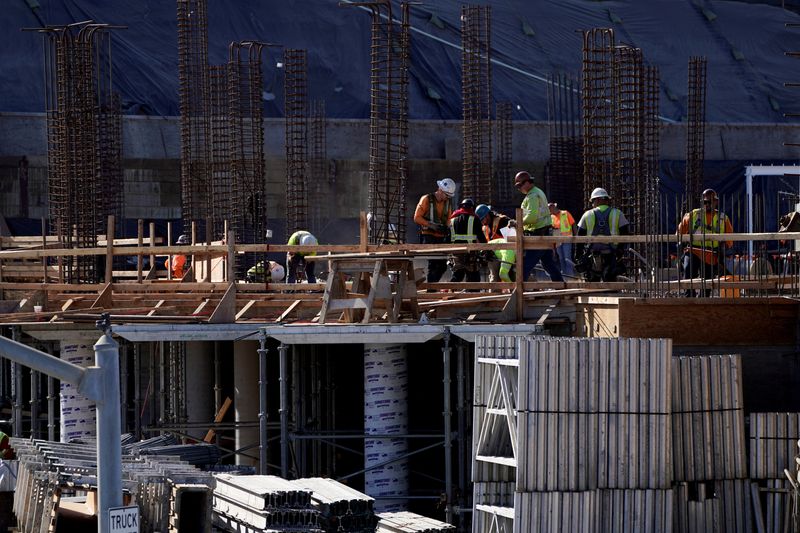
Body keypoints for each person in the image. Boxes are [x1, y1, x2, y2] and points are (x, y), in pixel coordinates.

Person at [676, 188, 733, 297]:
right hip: (693, 251)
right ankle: (689, 297)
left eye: (710, 202)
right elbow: (679, 234)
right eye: (705, 202)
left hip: (711, 254)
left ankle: (704, 300)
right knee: (688, 272)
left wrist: (722, 251)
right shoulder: (692, 215)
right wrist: (680, 244)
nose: (707, 204)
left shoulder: (723, 219)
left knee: (707, 283)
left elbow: (729, 241)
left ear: (716, 202)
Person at [516, 171, 564, 282]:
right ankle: (560, 286)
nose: (519, 189)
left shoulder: (532, 196)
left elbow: (532, 217)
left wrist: (518, 222)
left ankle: (517, 291)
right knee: (548, 264)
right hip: (544, 233)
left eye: (520, 185)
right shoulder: (537, 192)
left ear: (527, 182)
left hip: (538, 235)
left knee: (525, 265)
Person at [575, 187, 630, 282]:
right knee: (610, 281)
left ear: (598, 200)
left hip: (592, 253)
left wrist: (578, 255)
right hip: (612, 253)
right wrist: (620, 250)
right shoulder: (618, 213)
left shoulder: (587, 214)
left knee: (592, 283)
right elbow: (625, 233)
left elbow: (579, 236)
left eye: (592, 201)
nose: (592, 204)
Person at [414, 178, 456, 283]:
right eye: (446, 195)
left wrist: (447, 229)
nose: (447, 198)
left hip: (441, 237)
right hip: (429, 236)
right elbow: (417, 218)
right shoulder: (426, 199)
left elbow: (448, 219)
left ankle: (432, 288)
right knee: (433, 264)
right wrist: (431, 225)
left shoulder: (447, 202)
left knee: (442, 266)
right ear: (440, 190)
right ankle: (431, 289)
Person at [449, 198, 487, 283]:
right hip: (471, 253)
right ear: (472, 208)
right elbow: (481, 236)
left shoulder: (452, 220)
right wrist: (487, 249)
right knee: (473, 277)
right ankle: (472, 294)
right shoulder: (475, 219)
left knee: (457, 275)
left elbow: (448, 237)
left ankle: (449, 291)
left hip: (456, 253)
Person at [549, 202, 576, 277]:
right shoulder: (551, 217)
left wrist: (576, 237)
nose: (549, 210)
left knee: (567, 257)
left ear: (553, 207)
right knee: (561, 258)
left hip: (567, 239)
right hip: (557, 240)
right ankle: (564, 275)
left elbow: (573, 224)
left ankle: (571, 275)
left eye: (549, 208)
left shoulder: (565, 213)